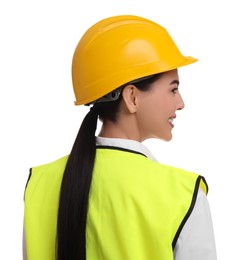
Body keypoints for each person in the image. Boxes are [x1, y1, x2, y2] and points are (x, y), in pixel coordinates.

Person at [23, 15, 217, 260]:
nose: (181, 103)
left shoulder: (39, 185)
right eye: (173, 89)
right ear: (132, 97)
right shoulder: (183, 194)